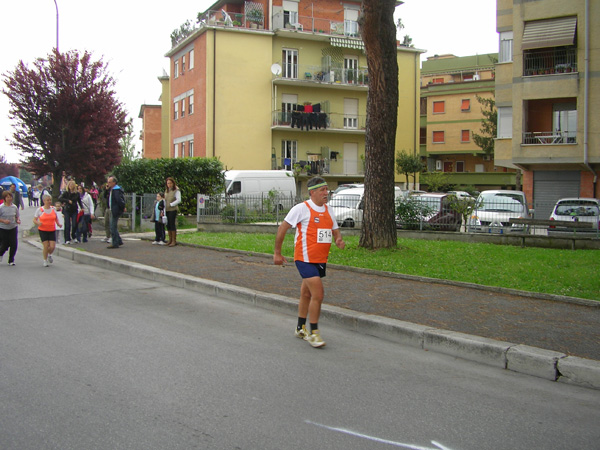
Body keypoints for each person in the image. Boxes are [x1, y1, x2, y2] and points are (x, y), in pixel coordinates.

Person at [273, 177, 345, 348]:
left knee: (306, 294)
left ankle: (300, 328)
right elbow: (282, 228)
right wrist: (277, 253)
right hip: (304, 259)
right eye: (322, 190)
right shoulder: (301, 209)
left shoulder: (329, 210)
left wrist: (338, 239)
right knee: (318, 294)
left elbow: (335, 230)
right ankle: (314, 333)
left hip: (320, 260)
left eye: (327, 190)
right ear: (312, 192)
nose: (326, 193)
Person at [33, 194, 63, 267]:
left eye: (50, 200)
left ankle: (49, 254)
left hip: (52, 229)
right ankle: (45, 260)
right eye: (47, 200)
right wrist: (38, 223)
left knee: (52, 246)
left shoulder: (53, 209)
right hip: (43, 230)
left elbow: (55, 217)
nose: (49, 201)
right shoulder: (40, 210)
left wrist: (58, 224)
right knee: (46, 246)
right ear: (44, 201)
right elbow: (34, 220)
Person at [0, 191, 21, 266]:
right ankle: (1, 254)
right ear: (4, 198)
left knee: (14, 244)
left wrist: (18, 220)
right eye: (7, 197)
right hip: (3, 228)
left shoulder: (14, 207)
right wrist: (4, 221)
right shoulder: (1, 207)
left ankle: (11, 260)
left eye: (10, 197)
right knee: (5, 244)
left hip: (13, 227)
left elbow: (17, 216)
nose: (9, 199)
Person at [58, 180, 82, 244]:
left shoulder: (76, 194)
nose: (70, 187)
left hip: (74, 210)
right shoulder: (66, 193)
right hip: (67, 210)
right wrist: (67, 201)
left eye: (72, 185)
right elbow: (60, 198)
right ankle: (67, 239)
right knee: (67, 224)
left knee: (74, 224)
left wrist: (82, 207)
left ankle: (73, 236)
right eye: (69, 185)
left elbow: (79, 201)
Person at [106, 176, 126, 249]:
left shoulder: (116, 190)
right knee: (112, 226)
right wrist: (106, 190)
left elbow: (120, 200)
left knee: (112, 226)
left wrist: (122, 207)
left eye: (110, 182)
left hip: (115, 210)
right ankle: (119, 241)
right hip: (112, 209)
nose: (108, 184)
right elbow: (106, 196)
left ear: (114, 183)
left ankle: (115, 243)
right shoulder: (111, 190)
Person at [164, 177, 181, 247]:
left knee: (172, 224)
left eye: (170, 183)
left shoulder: (176, 190)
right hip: (166, 210)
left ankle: (174, 240)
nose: (169, 185)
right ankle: (170, 240)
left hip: (172, 209)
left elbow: (179, 200)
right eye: (168, 183)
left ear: (173, 183)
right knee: (168, 224)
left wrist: (172, 204)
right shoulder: (166, 191)